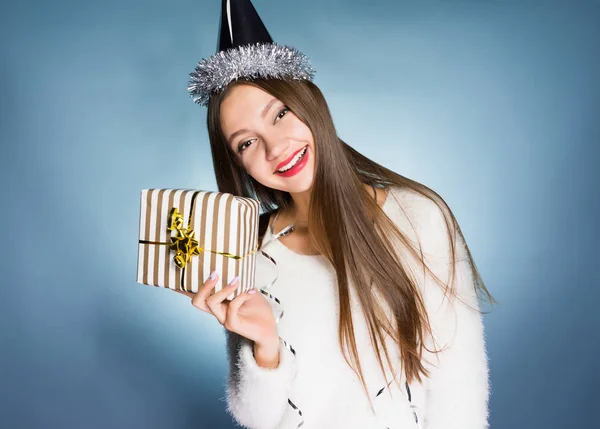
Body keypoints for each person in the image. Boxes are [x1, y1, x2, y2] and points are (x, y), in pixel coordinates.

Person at [175, 1, 495, 428]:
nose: (275, 148)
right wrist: (264, 346)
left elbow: (460, 389)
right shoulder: (247, 249)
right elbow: (258, 419)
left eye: (281, 114)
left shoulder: (420, 218)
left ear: (311, 104)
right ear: (237, 164)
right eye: (247, 143)